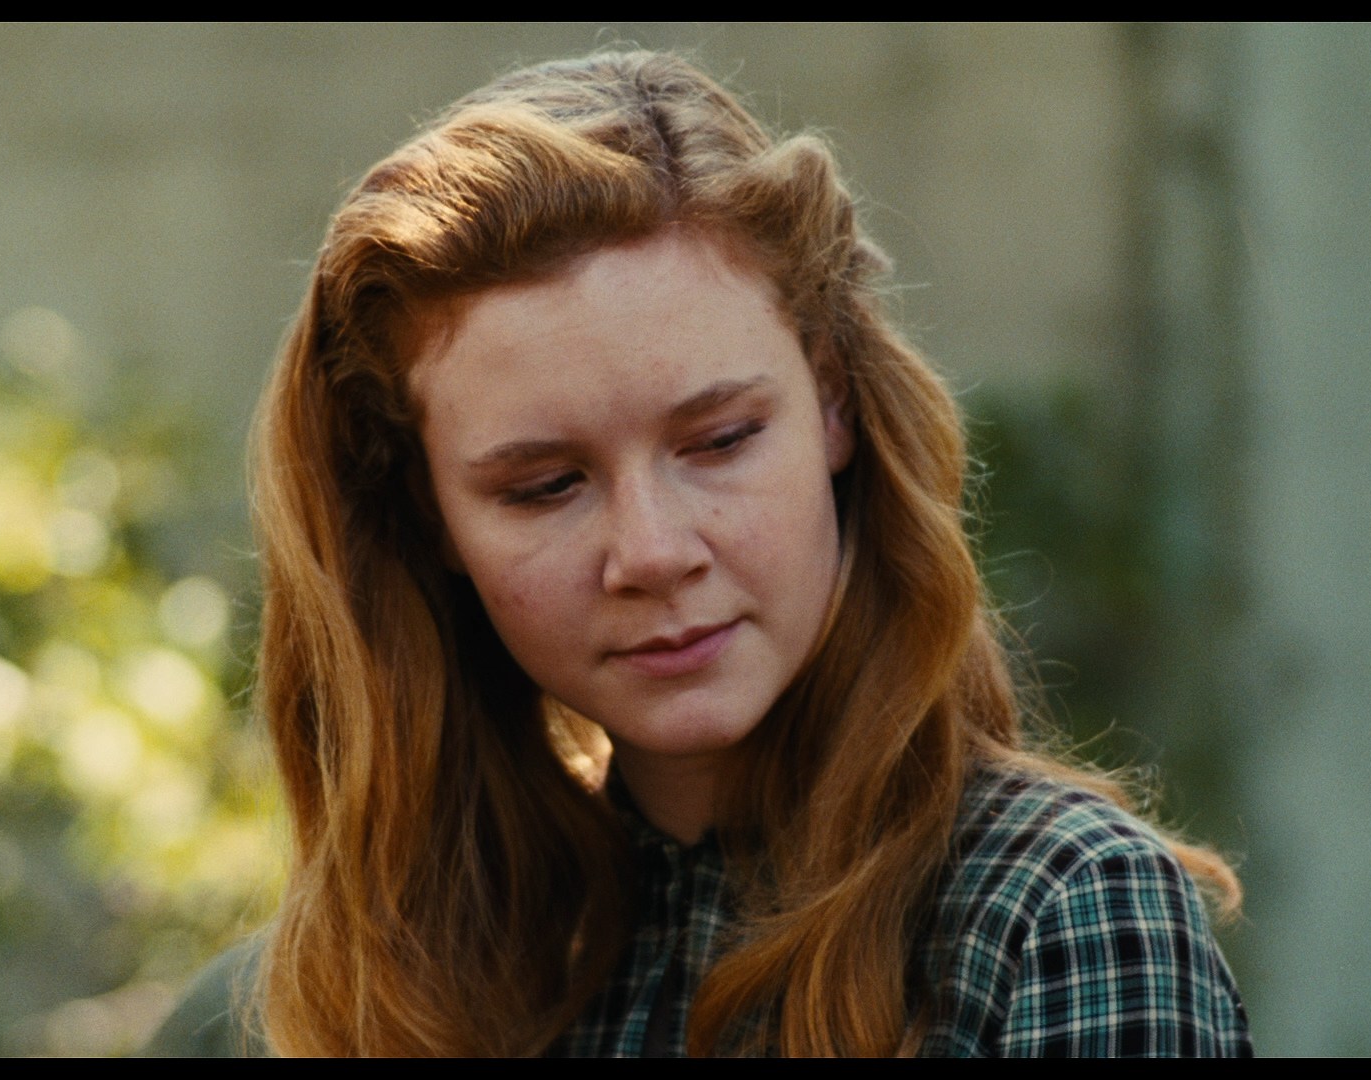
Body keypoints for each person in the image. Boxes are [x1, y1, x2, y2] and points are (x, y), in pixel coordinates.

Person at [148, 50, 1250, 1057]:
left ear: (832, 399)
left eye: (720, 441)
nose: (652, 552)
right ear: (429, 518)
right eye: (544, 486)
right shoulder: (325, 1008)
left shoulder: (1060, 912)